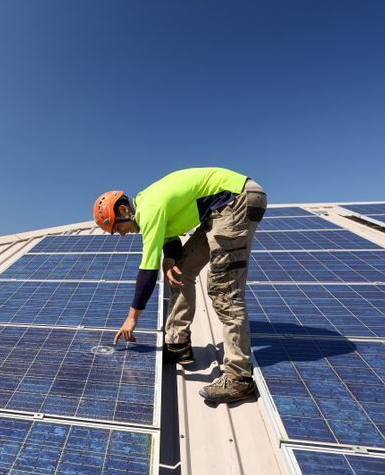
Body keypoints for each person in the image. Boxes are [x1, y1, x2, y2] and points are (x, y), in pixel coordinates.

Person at [93, 168, 267, 404]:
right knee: (180, 271)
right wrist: (172, 259)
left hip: (235, 200)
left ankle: (239, 378)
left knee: (223, 289)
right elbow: (170, 235)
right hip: (216, 209)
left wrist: (132, 317)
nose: (121, 235)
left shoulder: (149, 209)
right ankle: (178, 344)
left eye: (116, 228)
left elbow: (148, 269)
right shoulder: (148, 202)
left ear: (124, 210)